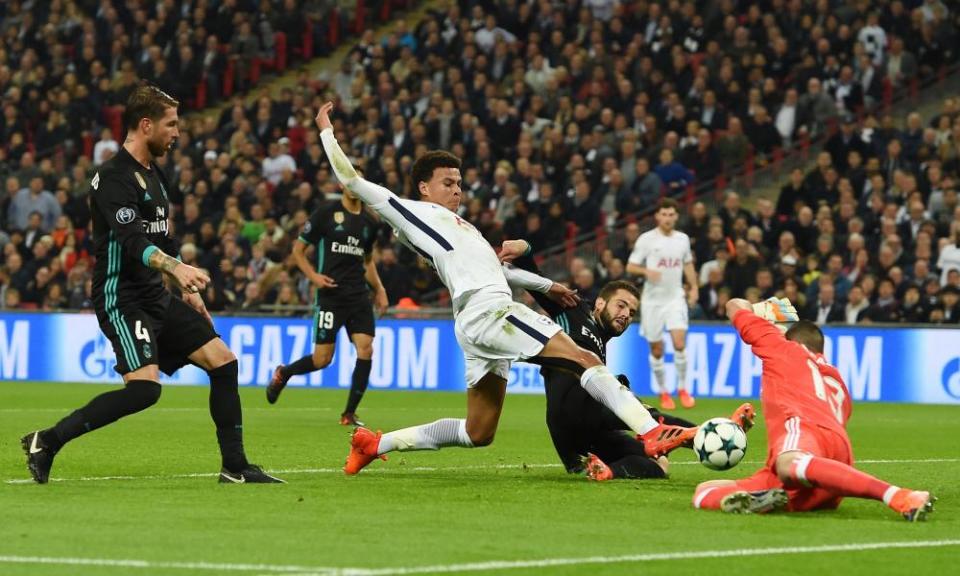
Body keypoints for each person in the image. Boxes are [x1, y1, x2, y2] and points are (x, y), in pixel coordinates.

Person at [313, 102, 696, 475]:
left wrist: (547, 284)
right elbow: (351, 180)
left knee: (478, 431)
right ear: (424, 188)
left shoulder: (461, 229)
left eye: (460, 183)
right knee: (584, 359)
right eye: (447, 183)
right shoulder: (414, 212)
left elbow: (501, 272)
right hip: (491, 312)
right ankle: (652, 431)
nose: (457, 191)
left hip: (474, 321)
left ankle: (374, 444)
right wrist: (326, 132)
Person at [20, 85, 282, 485]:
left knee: (224, 363)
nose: (177, 133)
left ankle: (235, 467)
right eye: (171, 124)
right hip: (121, 297)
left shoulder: (154, 175)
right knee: (144, 391)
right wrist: (177, 271)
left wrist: (187, 292)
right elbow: (133, 241)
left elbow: (162, 239)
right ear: (146, 125)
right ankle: (48, 441)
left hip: (155, 294)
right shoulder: (111, 178)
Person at [511, 253, 754, 480]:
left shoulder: (600, 342)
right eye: (621, 305)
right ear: (599, 304)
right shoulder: (573, 310)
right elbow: (539, 283)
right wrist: (525, 251)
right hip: (574, 408)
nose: (627, 314)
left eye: (632, 311)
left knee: (658, 462)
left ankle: (605, 471)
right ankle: (716, 430)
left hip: (578, 434)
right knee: (647, 417)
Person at [691, 297, 934, 521]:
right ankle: (763, 500)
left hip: (803, 432)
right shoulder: (835, 378)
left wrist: (764, 312)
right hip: (837, 457)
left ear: (791, 339)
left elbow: (734, 305)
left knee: (787, 463)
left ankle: (898, 495)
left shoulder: (782, 347)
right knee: (704, 491)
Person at [266, 178, 388, 427]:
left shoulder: (370, 223)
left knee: (366, 348)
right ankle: (284, 373)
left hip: (358, 296)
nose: (355, 187)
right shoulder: (326, 213)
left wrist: (380, 289)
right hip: (331, 296)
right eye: (350, 181)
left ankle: (349, 413)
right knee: (323, 359)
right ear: (342, 185)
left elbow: (367, 262)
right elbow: (298, 251)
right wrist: (313, 277)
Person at [626, 198, 699, 410]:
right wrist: (646, 271)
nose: (667, 218)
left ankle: (683, 388)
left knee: (679, 343)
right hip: (652, 300)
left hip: (675, 297)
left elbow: (688, 264)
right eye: (664, 214)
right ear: (657, 216)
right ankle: (664, 392)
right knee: (657, 350)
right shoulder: (646, 239)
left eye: (671, 214)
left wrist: (694, 287)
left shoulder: (683, 239)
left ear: (676, 216)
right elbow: (631, 266)